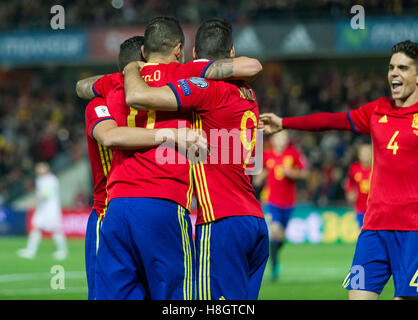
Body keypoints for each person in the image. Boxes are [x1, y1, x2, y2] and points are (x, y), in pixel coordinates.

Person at [78, 16, 262, 300]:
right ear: (179, 50)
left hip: (115, 206)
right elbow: (251, 66)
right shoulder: (186, 73)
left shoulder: (112, 85)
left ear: (142, 53)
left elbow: (82, 87)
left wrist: (126, 72)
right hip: (166, 202)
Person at [259, 40, 418, 300]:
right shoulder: (377, 111)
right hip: (374, 229)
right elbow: (329, 120)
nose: (394, 73)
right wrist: (285, 122)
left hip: (414, 231)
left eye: (403, 68)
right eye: (391, 67)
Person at [82, 35, 205, 300]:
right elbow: (111, 137)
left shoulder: (105, 96)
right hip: (119, 210)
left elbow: (81, 86)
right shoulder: (176, 86)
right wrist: (171, 134)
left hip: (114, 209)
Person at [253, 130, 308, 281]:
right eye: (279, 137)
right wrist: (259, 179)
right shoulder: (267, 155)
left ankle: (275, 255)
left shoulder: (294, 154)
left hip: (289, 202)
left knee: (281, 236)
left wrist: (293, 173)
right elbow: (262, 171)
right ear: (273, 140)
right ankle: (274, 263)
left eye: (284, 137)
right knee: (275, 230)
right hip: (271, 200)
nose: (282, 139)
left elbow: (305, 173)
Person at [17, 162, 68, 260]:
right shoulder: (40, 180)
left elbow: (48, 193)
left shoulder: (52, 179)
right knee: (36, 227)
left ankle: (63, 251)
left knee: (55, 230)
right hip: (42, 209)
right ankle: (30, 251)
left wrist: (35, 199)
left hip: (51, 209)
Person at [344, 143, 372, 230]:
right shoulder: (354, 169)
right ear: (359, 155)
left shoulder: (376, 168)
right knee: (362, 231)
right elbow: (350, 182)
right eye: (363, 153)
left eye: (367, 153)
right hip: (360, 208)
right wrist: (349, 192)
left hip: (374, 209)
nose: (365, 155)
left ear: (372, 154)